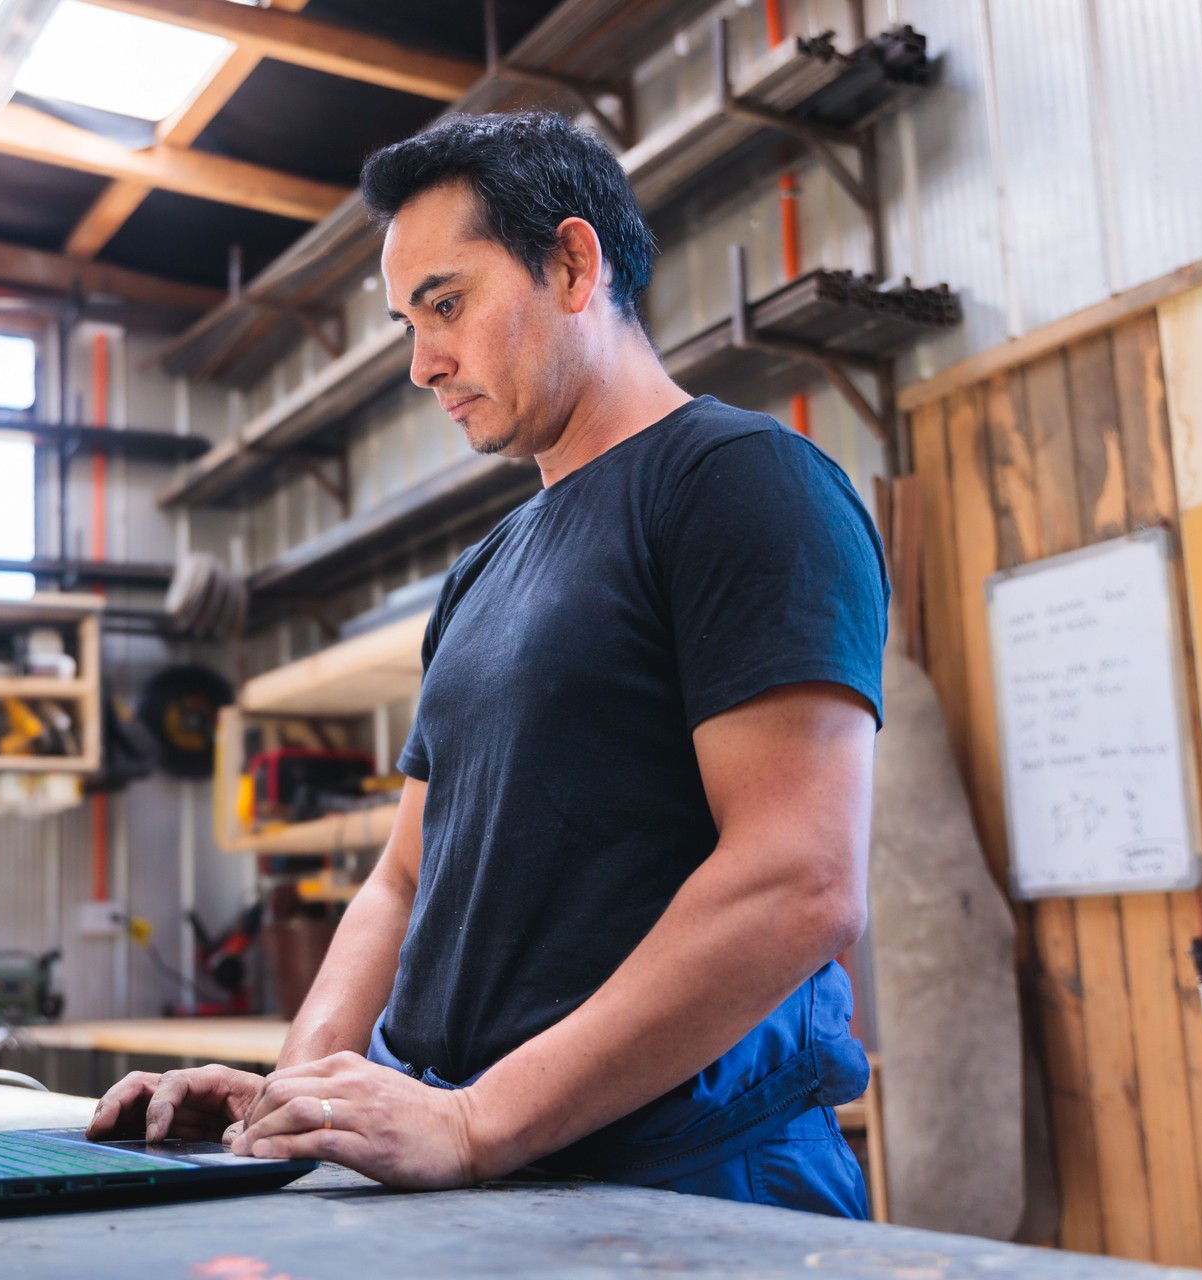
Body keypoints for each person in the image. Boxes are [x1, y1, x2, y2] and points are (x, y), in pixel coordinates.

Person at [89, 111, 888, 1217]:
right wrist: (294, 1095)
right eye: (406, 322)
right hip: (491, 1167)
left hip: (686, 1178)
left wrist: (477, 1119)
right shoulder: (482, 572)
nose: (422, 364)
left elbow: (798, 877)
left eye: (447, 304)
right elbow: (403, 878)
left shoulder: (742, 482)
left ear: (572, 263)